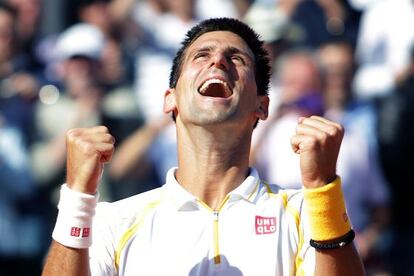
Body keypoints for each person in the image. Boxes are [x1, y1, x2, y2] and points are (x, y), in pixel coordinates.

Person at [42, 18, 364, 275]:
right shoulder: (115, 221)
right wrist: (77, 200)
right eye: (202, 55)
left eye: (236, 58)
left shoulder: (305, 212)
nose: (219, 61)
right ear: (170, 100)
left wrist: (322, 189)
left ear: (262, 106)